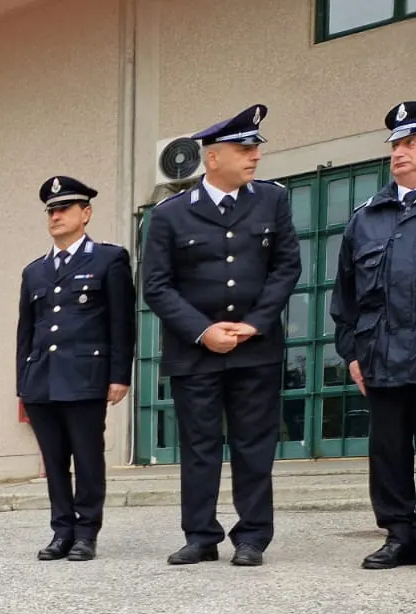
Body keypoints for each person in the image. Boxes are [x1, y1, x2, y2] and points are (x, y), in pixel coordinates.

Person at [141, 104, 301, 567]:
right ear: (212, 157)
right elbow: (155, 285)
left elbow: (286, 266)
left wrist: (256, 322)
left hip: (257, 348)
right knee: (200, 447)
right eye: (244, 148)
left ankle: (252, 537)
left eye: (255, 148)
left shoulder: (272, 200)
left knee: (255, 445)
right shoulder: (170, 215)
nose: (254, 157)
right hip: (196, 352)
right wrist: (202, 331)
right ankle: (200, 535)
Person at [334, 101, 416, 573]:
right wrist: (351, 351)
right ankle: (397, 534)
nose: (399, 152)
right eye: (395, 144)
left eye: (411, 142)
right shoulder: (366, 216)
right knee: (387, 450)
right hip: (380, 351)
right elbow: (345, 295)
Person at [16, 176, 136, 562]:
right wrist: (23, 381)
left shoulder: (107, 259)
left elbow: (121, 323)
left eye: (64, 208)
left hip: (85, 378)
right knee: (54, 462)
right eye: (51, 210)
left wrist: (120, 375)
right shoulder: (34, 271)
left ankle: (86, 532)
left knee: (86, 458)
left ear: (86, 213)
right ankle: (61, 531)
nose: (56, 216)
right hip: (42, 381)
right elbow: (26, 331)